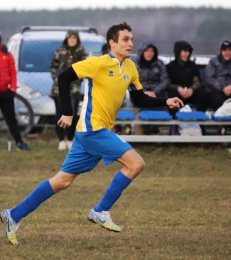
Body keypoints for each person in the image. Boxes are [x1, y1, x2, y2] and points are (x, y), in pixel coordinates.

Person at [0, 22, 183, 245]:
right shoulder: (98, 63)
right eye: (125, 39)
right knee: (136, 164)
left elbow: (139, 98)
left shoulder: (131, 68)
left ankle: (13, 215)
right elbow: (64, 77)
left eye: (131, 39)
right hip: (92, 130)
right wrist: (68, 112)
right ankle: (100, 210)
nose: (130, 43)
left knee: (62, 181)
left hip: (90, 133)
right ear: (112, 43)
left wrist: (166, 101)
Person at [50, 30, 87, 150]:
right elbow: (53, 67)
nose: (72, 40)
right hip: (58, 88)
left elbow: (86, 67)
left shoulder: (81, 52)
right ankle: (61, 140)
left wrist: (79, 80)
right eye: (70, 37)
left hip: (74, 88)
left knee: (73, 113)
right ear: (66, 39)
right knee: (59, 113)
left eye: (74, 38)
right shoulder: (60, 51)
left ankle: (70, 139)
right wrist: (57, 79)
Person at [0, 31, 30, 150]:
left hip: (6, 93)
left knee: (11, 119)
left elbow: (13, 73)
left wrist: (12, 89)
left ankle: (19, 142)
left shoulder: (7, 55)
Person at [133, 40, 169, 134]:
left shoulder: (159, 63)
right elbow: (132, 81)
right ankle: (146, 128)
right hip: (140, 92)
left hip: (157, 92)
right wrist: (143, 92)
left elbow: (164, 80)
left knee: (159, 102)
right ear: (142, 52)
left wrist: (154, 91)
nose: (150, 53)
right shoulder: (135, 64)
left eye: (152, 51)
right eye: (147, 51)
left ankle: (154, 127)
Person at [166, 41, 209, 118]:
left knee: (203, 94)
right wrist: (178, 88)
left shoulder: (193, 66)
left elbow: (197, 82)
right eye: (185, 51)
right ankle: (174, 123)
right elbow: (167, 83)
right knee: (171, 95)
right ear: (178, 52)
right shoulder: (170, 66)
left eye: (189, 51)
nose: (187, 54)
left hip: (190, 93)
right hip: (177, 93)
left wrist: (191, 89)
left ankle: (200, 122)